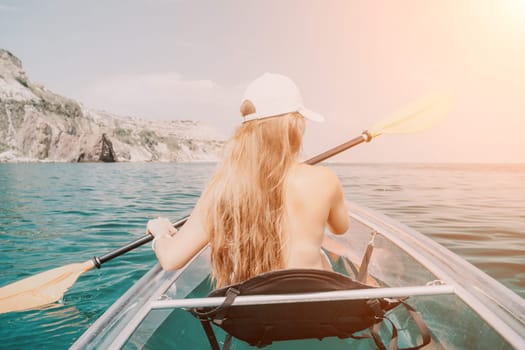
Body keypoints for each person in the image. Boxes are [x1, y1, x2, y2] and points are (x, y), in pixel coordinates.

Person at [147, 73, 349, 288]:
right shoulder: (325, 180)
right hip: (315, 308)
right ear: (294, 126)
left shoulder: (224, 187)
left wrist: (160, 232)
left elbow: (171, 259)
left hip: (254, 317)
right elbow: (340, 228)